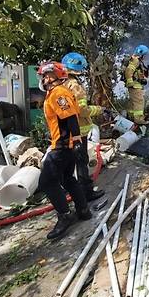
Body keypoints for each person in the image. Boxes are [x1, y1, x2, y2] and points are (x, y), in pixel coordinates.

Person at [36, 62, 91, 240]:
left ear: (55, 75)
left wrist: (75, 141)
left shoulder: (59, 93)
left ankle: (64, 215)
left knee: (46, 181)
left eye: (46, 76)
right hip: (64, 144)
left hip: (62, 146)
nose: (43, 79)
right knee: (67, 178)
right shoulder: (55, 93)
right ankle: (83, 210)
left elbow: (71, 118)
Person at [61, 52, 106, 201]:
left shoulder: (61, 84)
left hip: (64, 130)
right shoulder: (75, 86)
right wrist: (99, 109)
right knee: (81, 162)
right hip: (79, 130)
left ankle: (72, 191)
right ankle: (86, 193)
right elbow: (82, 110)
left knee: (69, 163)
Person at [124, 45, 149, 125]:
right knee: (139, 102)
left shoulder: (137, 61)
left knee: (133, 103)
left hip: (136, 85)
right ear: (141, 54)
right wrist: (131, 83)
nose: (147, 56)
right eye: (146, 54)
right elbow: (128, 71)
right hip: (135, 85)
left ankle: (131, 118)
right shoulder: (136, 60)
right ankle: (139, 120)